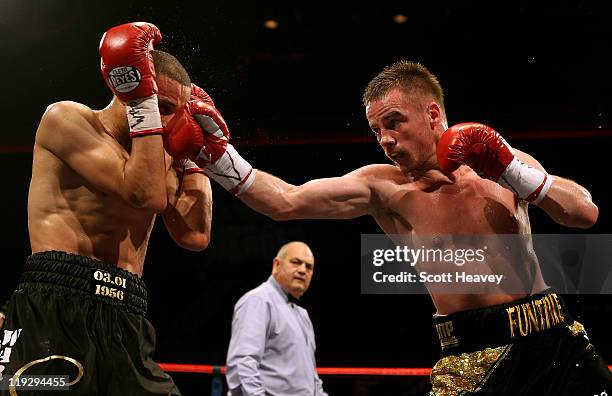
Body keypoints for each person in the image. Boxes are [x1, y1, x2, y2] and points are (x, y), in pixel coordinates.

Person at [163, 60, 612, 394]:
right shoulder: (384, 188)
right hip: (473, 358)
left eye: (394, 123)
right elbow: (285, 201)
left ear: (433, 115)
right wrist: (215, 155)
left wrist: (514, 169)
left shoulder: (502, 164)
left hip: (555, 340)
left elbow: (584, 213)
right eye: (377, 130)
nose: (386, 139)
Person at [0, 22, 213, 395]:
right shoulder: (67, 120)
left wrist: (197, 158)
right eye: (157, 105)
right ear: (127, 89)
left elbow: (195, 235)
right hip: (56, 305)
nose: (163, 121)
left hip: (127, 312)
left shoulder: (159, 154)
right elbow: (144, 195)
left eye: (173, 112)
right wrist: (144, 104)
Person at [225, 241, 328, 396]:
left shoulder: (302, 315)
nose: (302, 270)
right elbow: (243, 364)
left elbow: (311, 378)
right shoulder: (258, 300)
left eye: (309, 267)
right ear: (277, 264)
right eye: (296, 262)